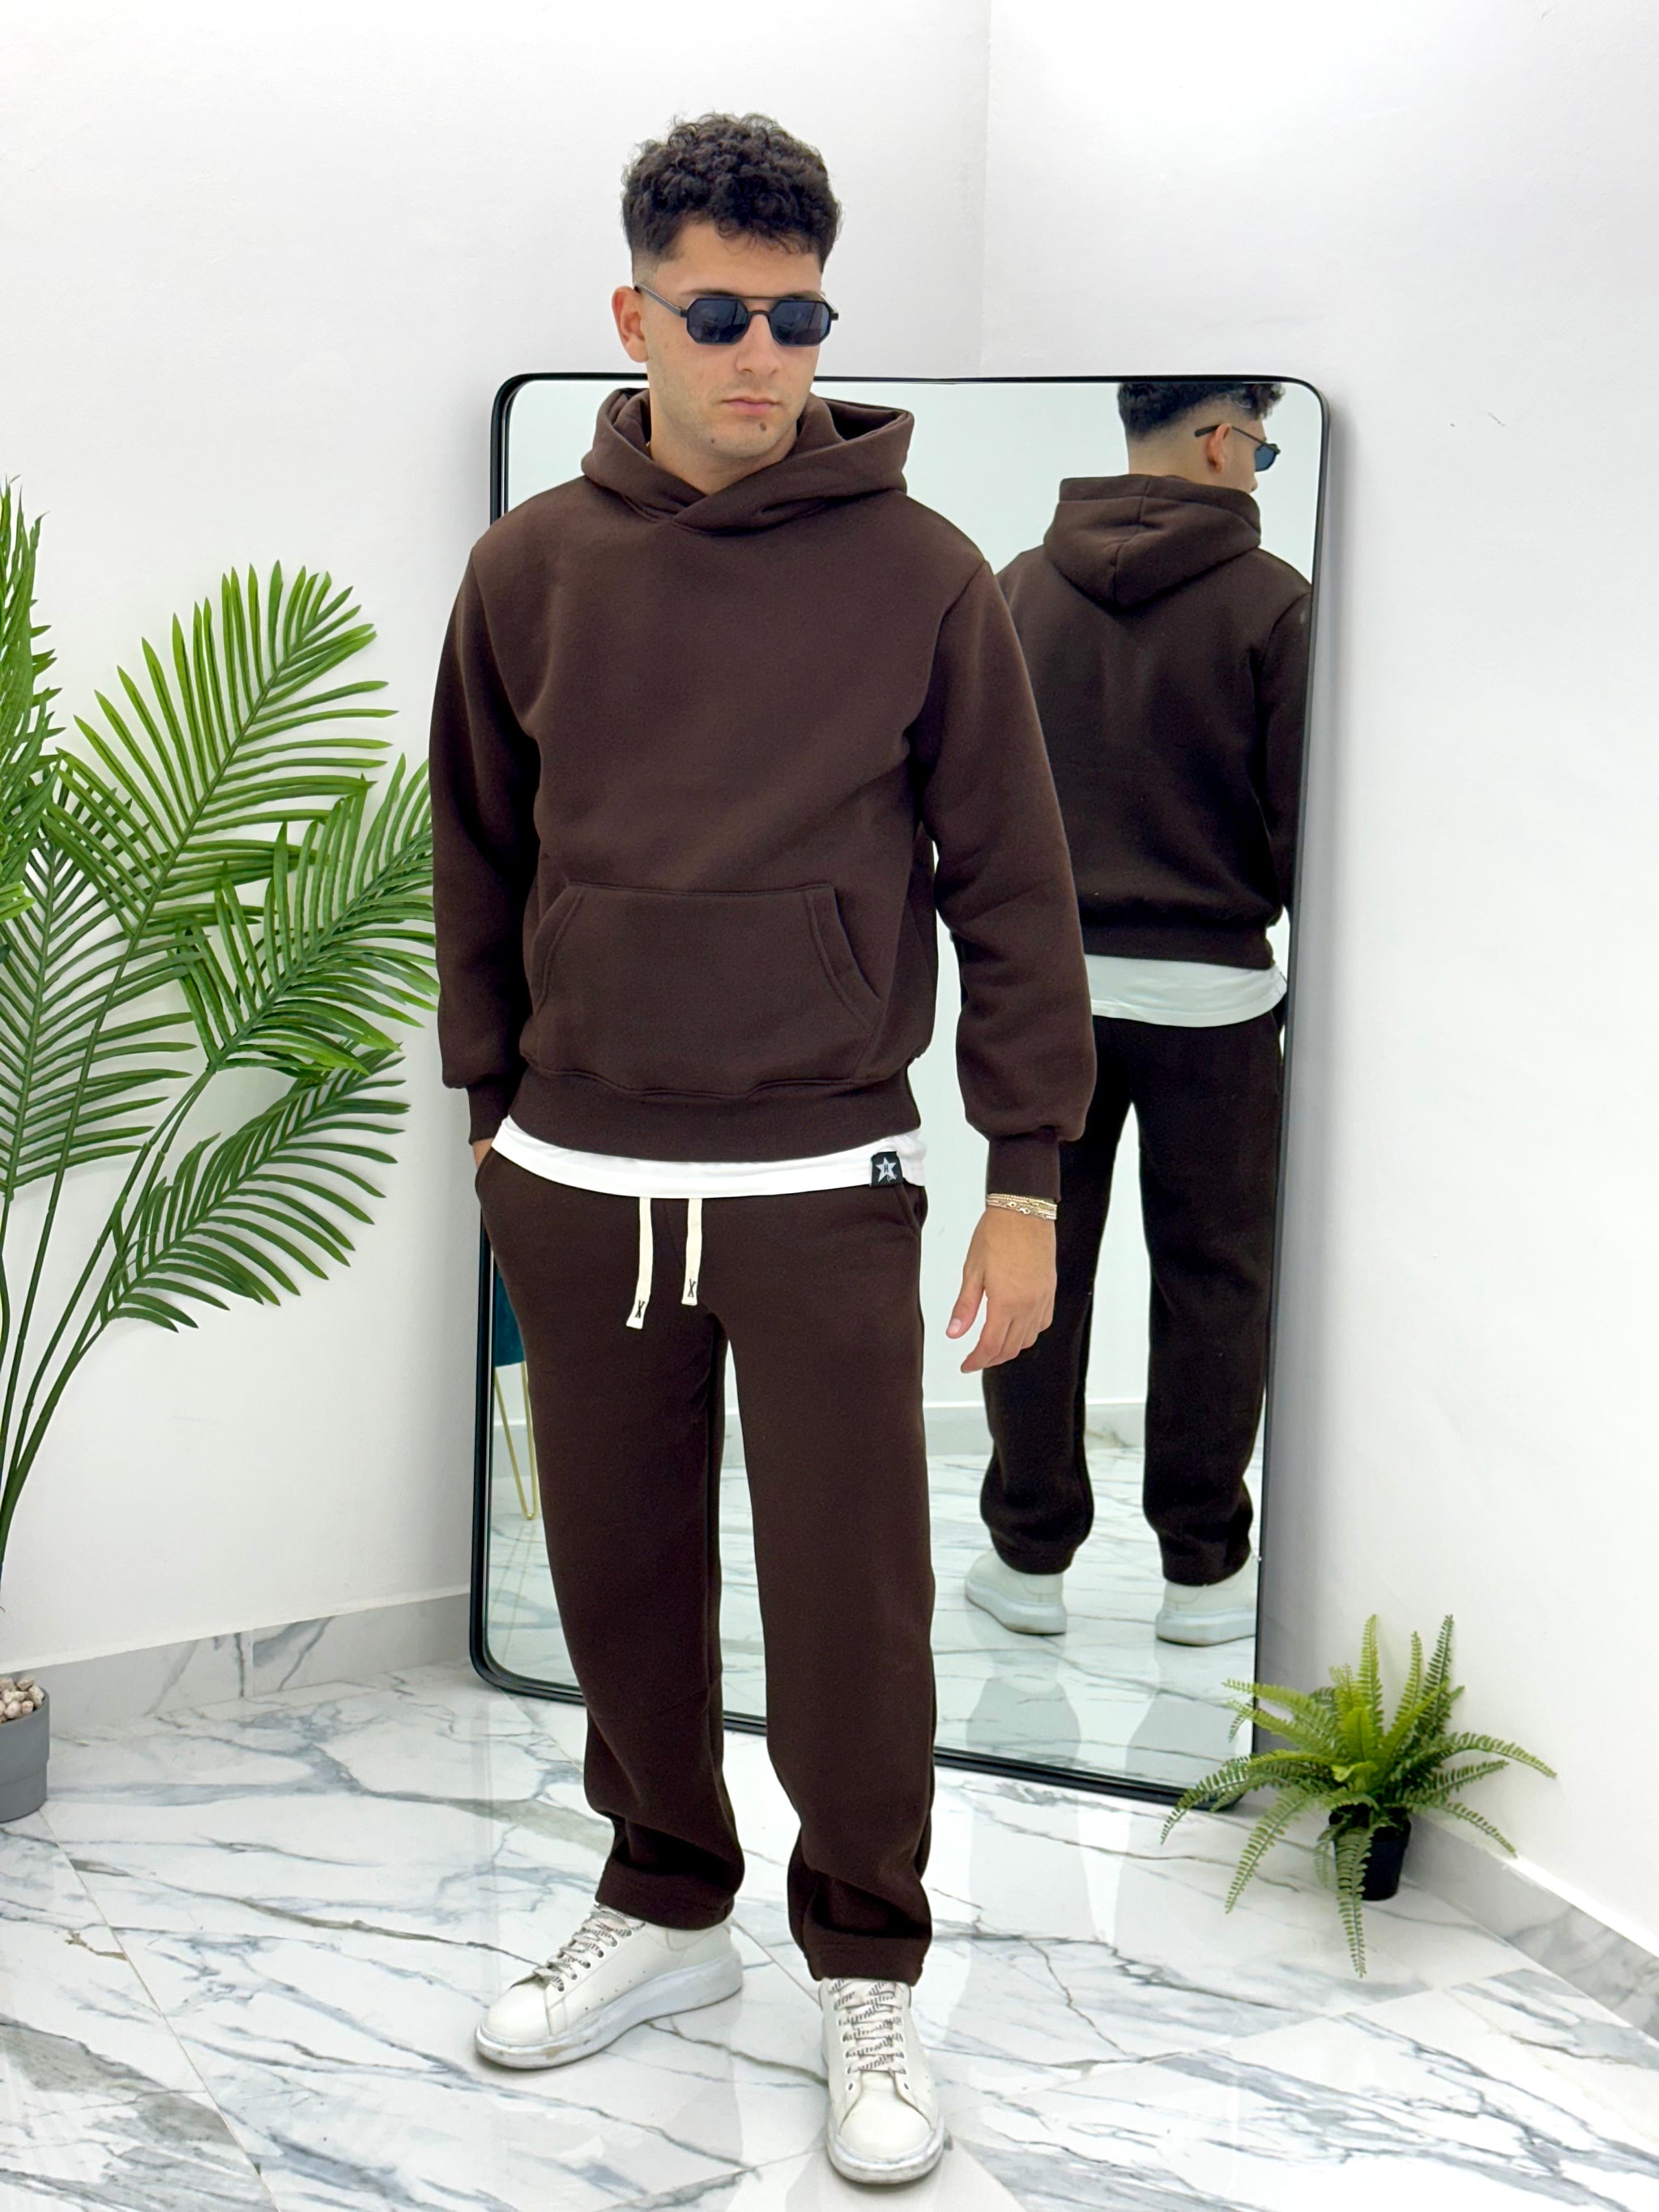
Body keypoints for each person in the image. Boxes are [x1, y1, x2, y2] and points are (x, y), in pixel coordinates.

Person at [429, 113, 1093, 2188]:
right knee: (617, 1577)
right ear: (633, 316)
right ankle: (659, 1898)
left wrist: (1026, 1173)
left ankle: (865, 1961)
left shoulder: (923, 574)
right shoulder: (529, 567)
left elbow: (1014, 888)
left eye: (797, 317)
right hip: (579, 1173)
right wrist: (490, 1119)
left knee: (850, 1611)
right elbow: (476, 851)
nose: (761, 355)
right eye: (718, 314)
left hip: (820, 1181)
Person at [966, 379, 1309, 1651]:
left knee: (1033, 1268)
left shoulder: (1018, 588)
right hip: (1216, 1005)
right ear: (1222, 440)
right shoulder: (1275, 604)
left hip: (1047, 998)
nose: (1258, 467)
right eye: (1261, 446)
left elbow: (974, 803)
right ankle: (1202, 1577)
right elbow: (1303, 823)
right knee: (1216, 1282)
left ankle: (1028, 1562)